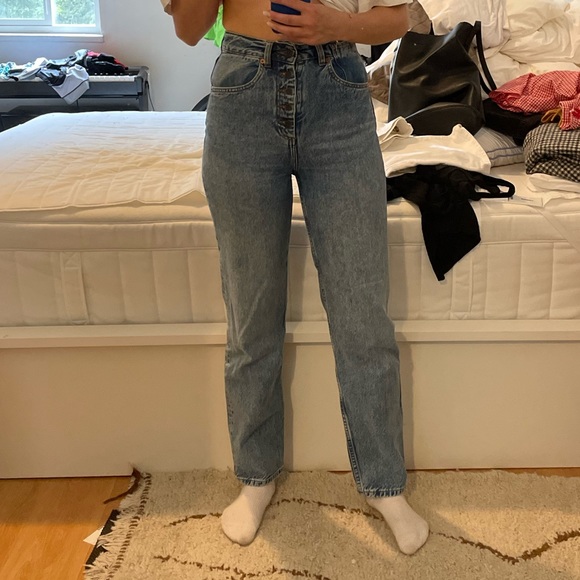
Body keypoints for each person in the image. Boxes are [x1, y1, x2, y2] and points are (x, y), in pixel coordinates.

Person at [168, 0, 430, 555]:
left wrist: (338, 25)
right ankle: (255, 476)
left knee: (363, 315)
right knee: (251, 314)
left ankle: (384, 483)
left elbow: (398, 17)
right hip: (242, 90)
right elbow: (189, 30)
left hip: (339, 88)